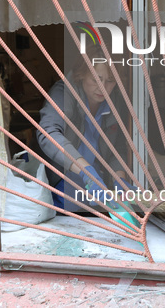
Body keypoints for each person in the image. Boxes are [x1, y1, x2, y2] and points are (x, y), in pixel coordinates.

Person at [37, 47, 132, 212]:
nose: (103, 87)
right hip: (61, 178)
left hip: (96, 180)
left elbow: (117, 147)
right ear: (81, 75)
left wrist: (120, 178)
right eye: (96, 79)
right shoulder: (64, 91)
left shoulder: (115, 100)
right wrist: (86, 172)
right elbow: (47, 133)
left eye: (110, 80)